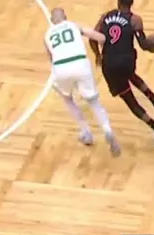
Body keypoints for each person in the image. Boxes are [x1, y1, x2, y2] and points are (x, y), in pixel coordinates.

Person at [91, 0, 154, 146]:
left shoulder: (105, 17)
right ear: (131, 4)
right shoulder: (135, 20)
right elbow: (143, 45)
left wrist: (97, 55)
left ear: (118, 2)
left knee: (132, 102)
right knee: (131, 75)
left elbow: (92, 38)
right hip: (127, 61)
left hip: (109, 64)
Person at [44, 8, 120, 155]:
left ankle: (86, 132)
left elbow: (51, 59)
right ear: (65, 17)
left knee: (68, 99)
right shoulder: (74, 26)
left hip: (61, 68)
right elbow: (100, 38)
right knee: (94, 102)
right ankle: (107, 129)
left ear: (52, 21)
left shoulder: (47, 35)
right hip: (80, 63)